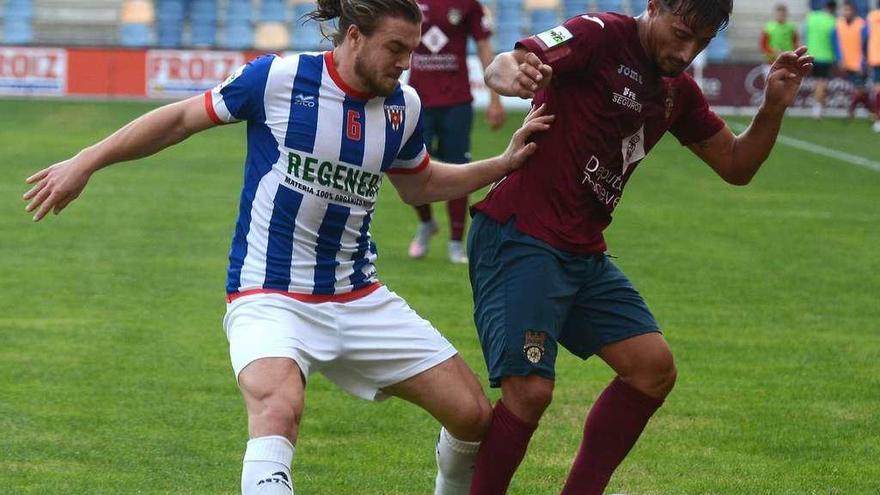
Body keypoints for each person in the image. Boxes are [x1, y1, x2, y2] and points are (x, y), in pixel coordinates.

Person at [21, 0, 554, 493]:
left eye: (412, 51)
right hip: (269, 293)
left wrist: (500, 165)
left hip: (358, 296)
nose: (406, 64)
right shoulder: (277, 78)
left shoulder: (403, 107)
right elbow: (182, 117)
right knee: (278, 410)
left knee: (473, 417)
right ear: (353, 36)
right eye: (395, 49)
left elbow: (418, 183)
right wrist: (86, 160)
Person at [465, 0, 813, 493]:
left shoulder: (678, 91)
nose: (686, 51)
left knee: (652, 370)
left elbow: (736, 166)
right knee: (530, 391)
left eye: (702, 43)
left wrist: (772, 106)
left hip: (581, 250)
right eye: (680, 33)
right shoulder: (599, 33)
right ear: (654, 6)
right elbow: (513, 59)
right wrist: (509, 75)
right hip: (522, 233)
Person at [406, 0, 507, 263]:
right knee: (409, 168)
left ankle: (455, 243)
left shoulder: (468, 4)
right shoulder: (410, 3)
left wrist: (495, 97)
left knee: (458, 169)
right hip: (418, 101)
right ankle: (427, 222)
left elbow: (484, 46)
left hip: (456, 102)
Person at [835, 1, 870, 120]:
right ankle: (871, 112)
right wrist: (840, 59)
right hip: (846, 63)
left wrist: (863, 63)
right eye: (845, 10)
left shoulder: (861, 24)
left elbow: (866, 45)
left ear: (854, 11)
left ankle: (852, 112)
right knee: (859, 91)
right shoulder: (839, 24)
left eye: (849, 10)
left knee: (859, 90)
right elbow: (837, 43)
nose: (846, 12)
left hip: (859, 64)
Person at [804, 1, 839, 118]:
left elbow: (804, 34)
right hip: (825, 56)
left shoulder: (812, 17)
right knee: (822, 82)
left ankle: (819, 105)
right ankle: (818, 107)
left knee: (816, 81)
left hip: (812, 54)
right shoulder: (832, 21)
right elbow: (835, 41)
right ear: (832, 8)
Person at [866, 1, 880, 130]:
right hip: (876, 57)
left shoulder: (871, 16)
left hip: (875, 57)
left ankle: (877, 119)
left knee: (877, 88)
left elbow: (865, 35)